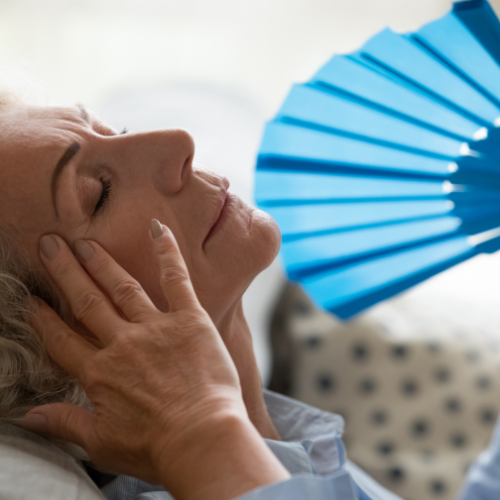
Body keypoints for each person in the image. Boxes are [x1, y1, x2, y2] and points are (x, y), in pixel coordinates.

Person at [0, 91, 498, 500]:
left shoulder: (281, 445)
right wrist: (196, 430)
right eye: (99, 193)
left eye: (118, 131)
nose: (178, 141)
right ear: (40, 357)